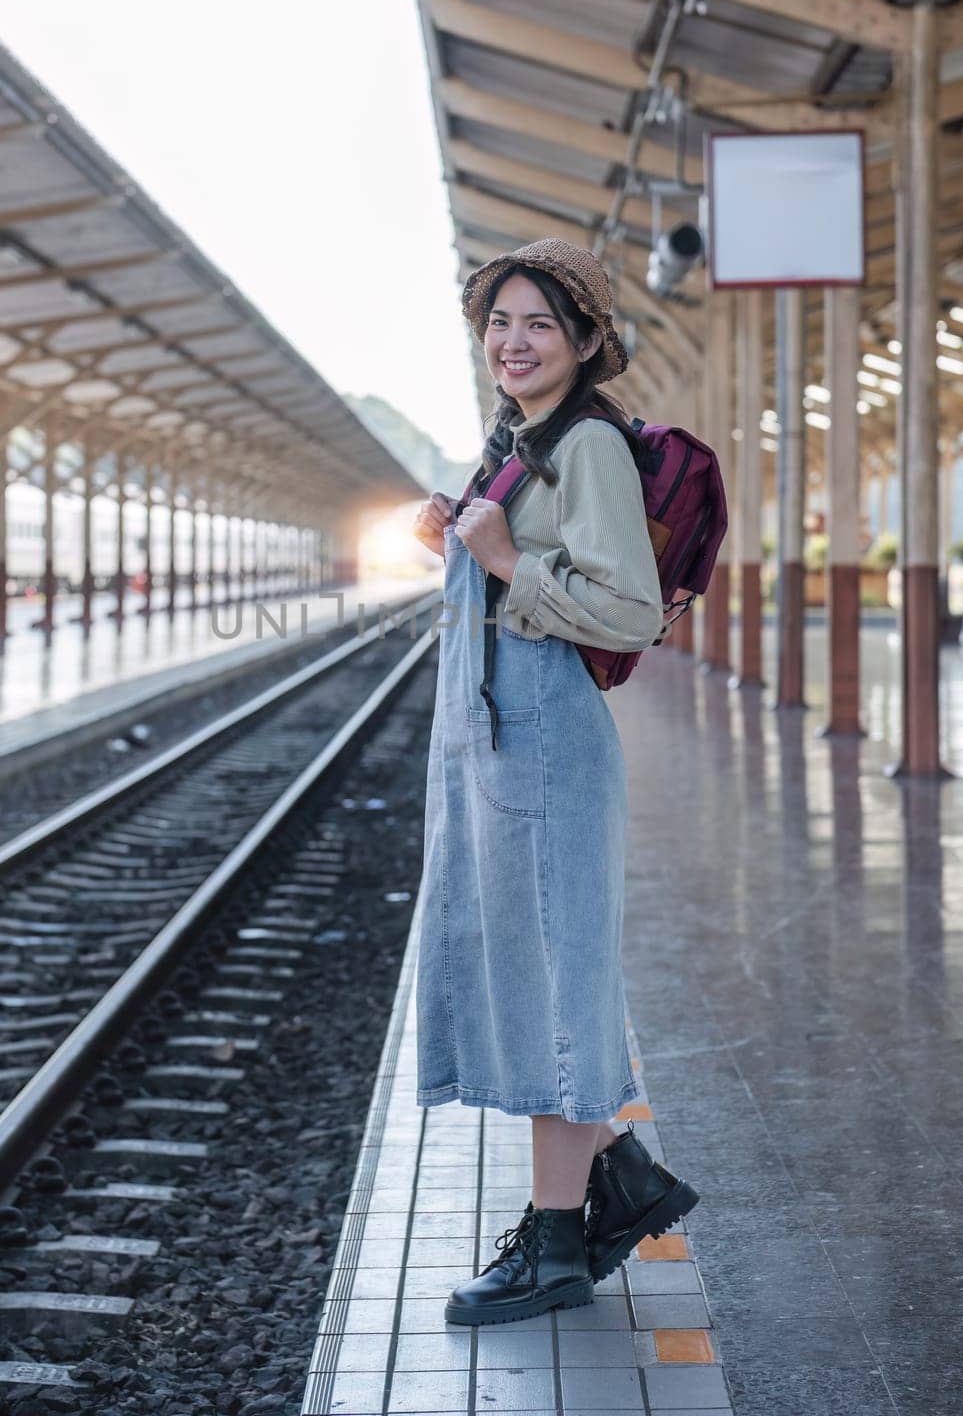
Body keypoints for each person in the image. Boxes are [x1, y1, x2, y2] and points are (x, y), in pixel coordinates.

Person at [411, 238, 699, 1328]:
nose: (513, 342)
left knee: (553, 990)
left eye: (537, 323)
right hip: (504, 747)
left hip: (547, 746)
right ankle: (614, 1181)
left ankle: (551, 1248)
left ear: (584, 341)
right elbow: (524, 556)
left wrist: (496, 561)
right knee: (526, 979)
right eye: (498, 323)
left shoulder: (586, 448)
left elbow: (627, 611)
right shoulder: (516, 443)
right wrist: (461, 527)